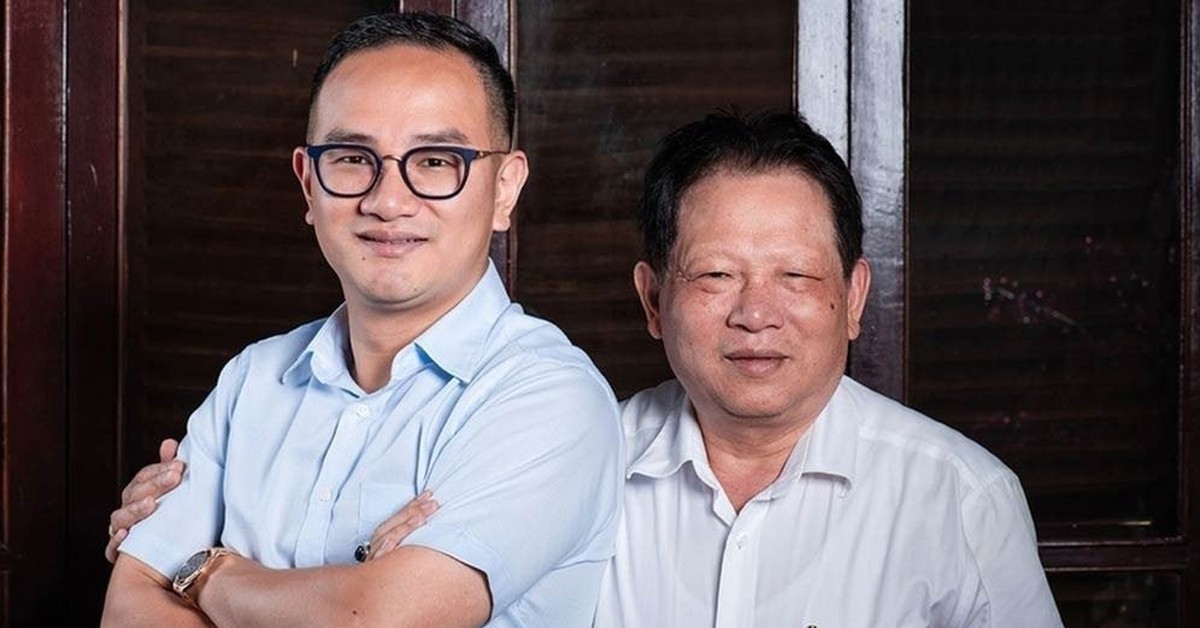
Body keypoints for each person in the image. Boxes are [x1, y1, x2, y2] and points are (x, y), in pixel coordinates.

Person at [110, 110, 1064, 627]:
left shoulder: (961, 498)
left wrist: (201, 569)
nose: (756, 313)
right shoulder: (562, 446)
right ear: (651, 300)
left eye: (797, 278)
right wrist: (190, 522)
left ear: (853, 297)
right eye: (715, 276)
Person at [99, 11, 622, 628]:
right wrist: (348, 596)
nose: (387, 201)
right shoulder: (251, 381)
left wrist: (206, 573)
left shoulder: (548, 397)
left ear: (504, 189)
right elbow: (128, 610)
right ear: (308, 184)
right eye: (352, 157)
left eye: (436, 161)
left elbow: (377, 620)